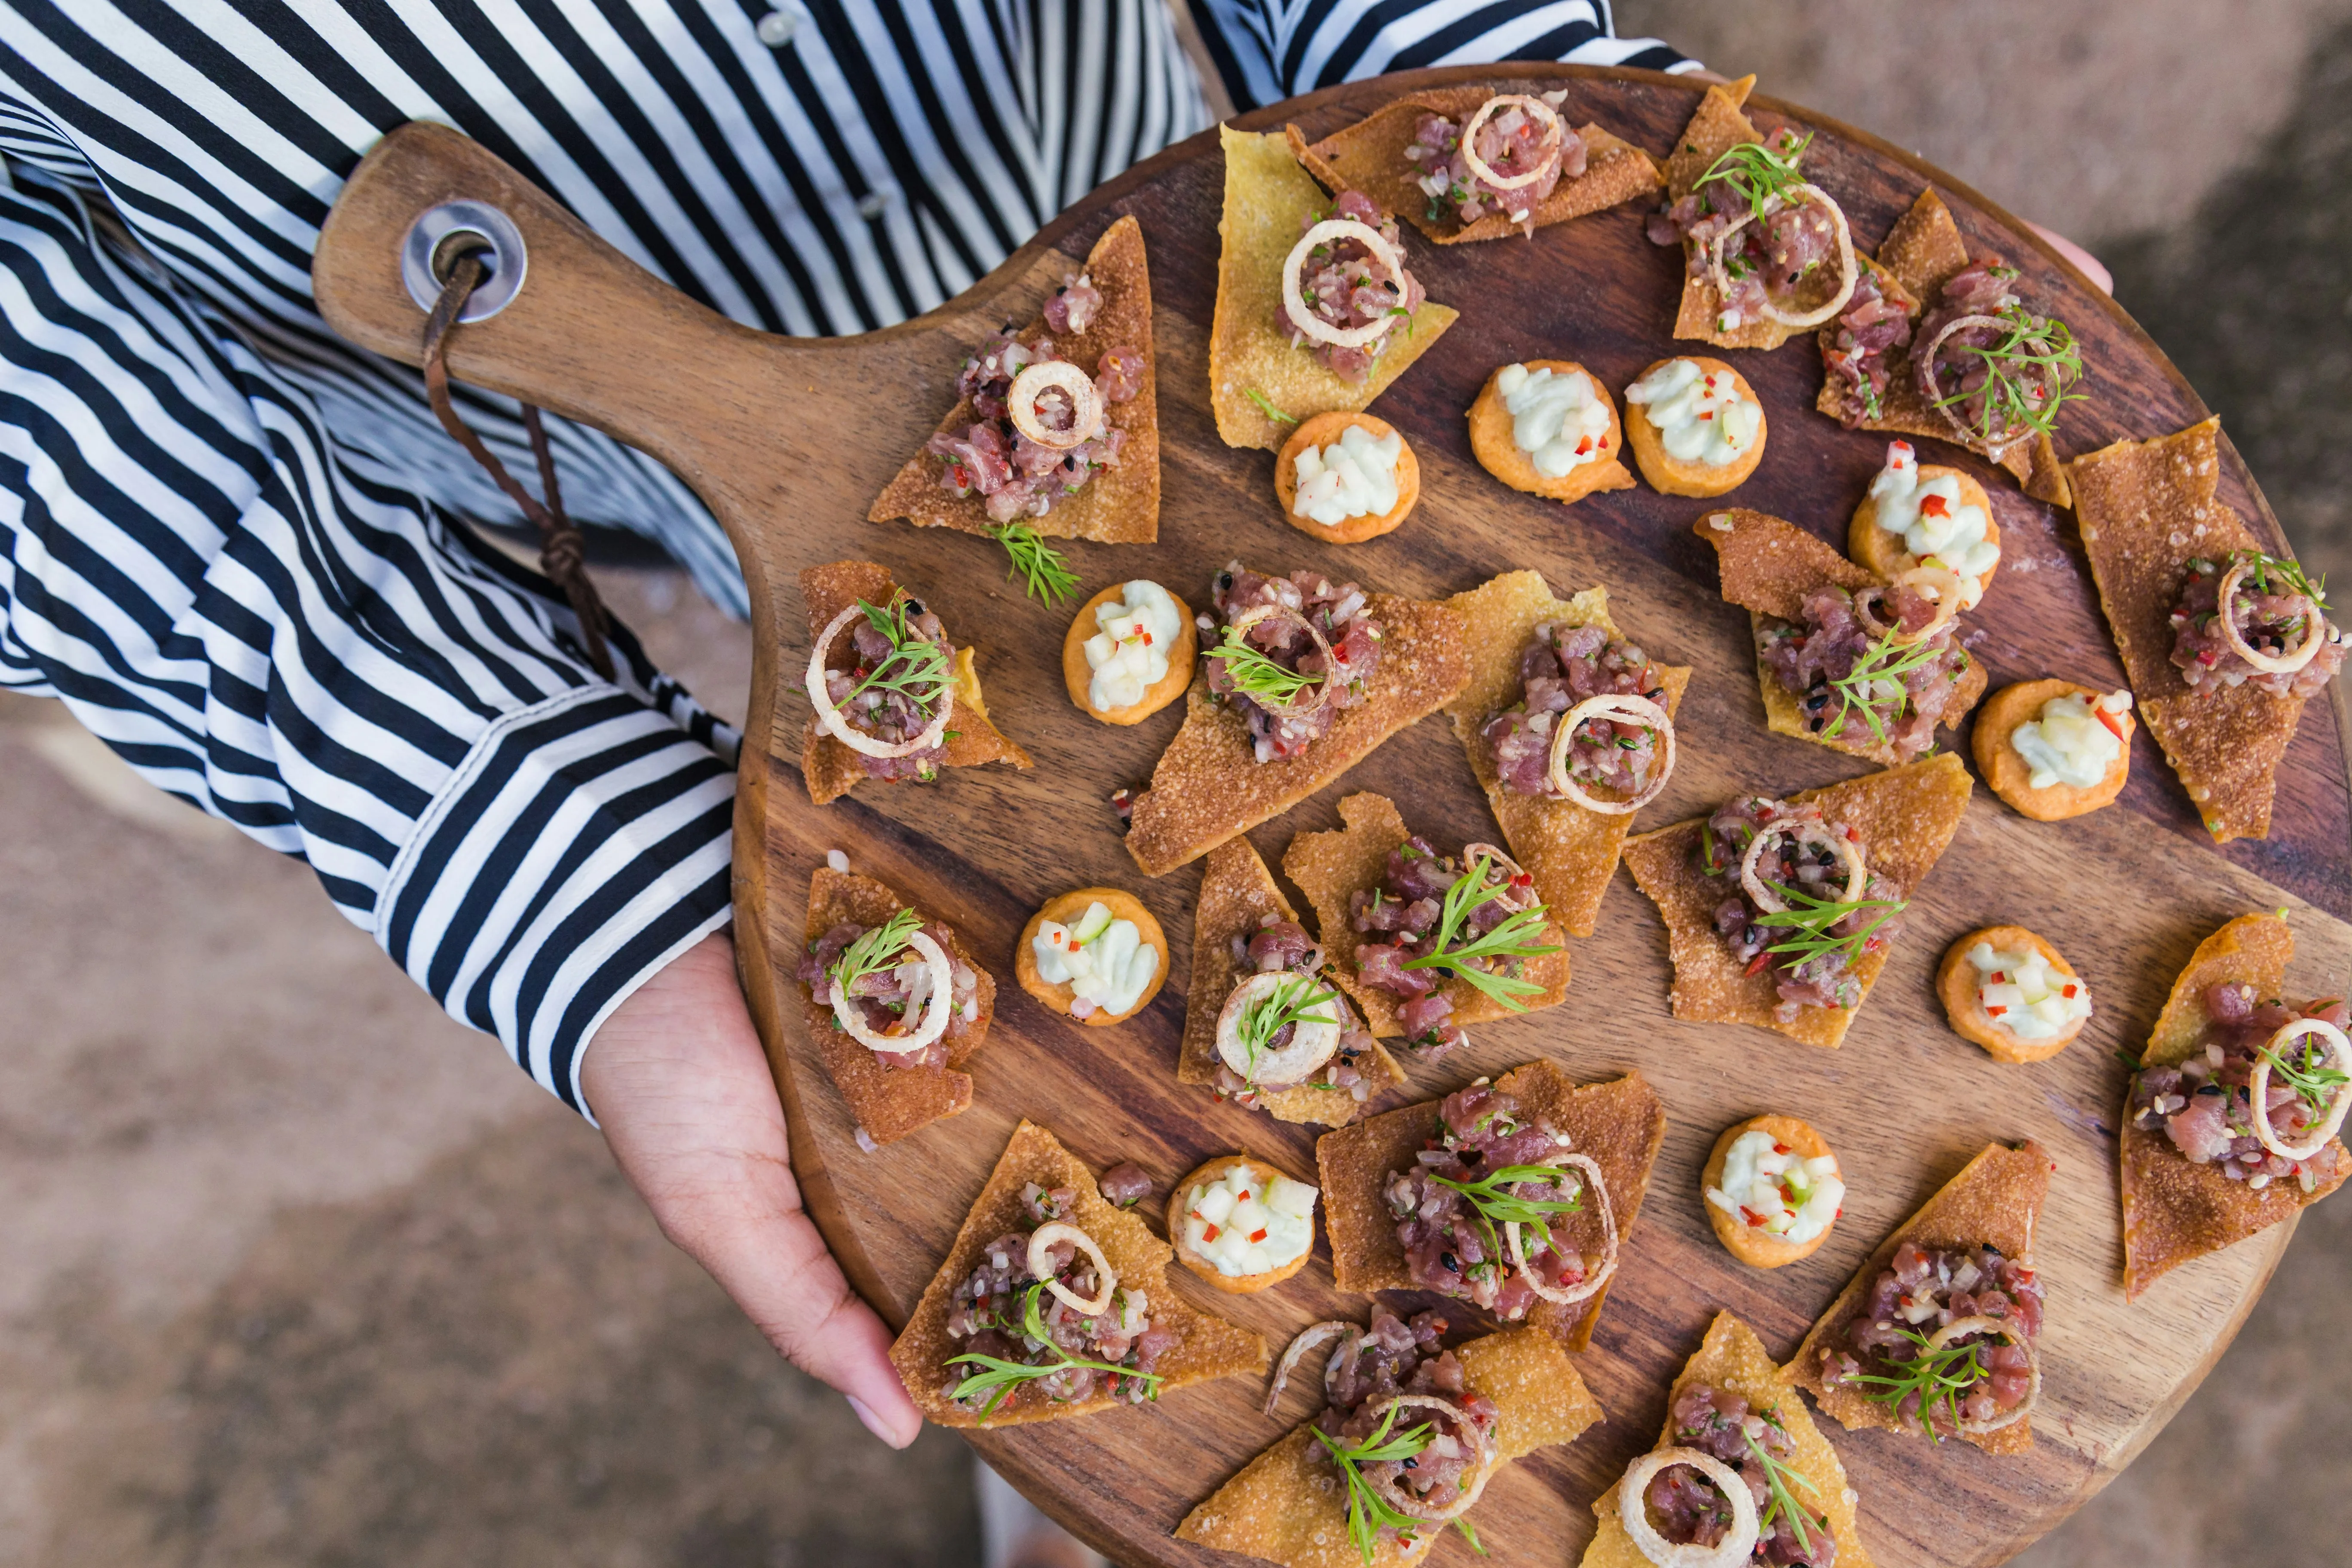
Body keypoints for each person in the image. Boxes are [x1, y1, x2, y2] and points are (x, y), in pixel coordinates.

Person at [0, 2, 2096, 1455]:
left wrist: (1504, 116)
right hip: (514, 406)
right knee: (1008, 1054)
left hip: (1114, 143)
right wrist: (518, 820)